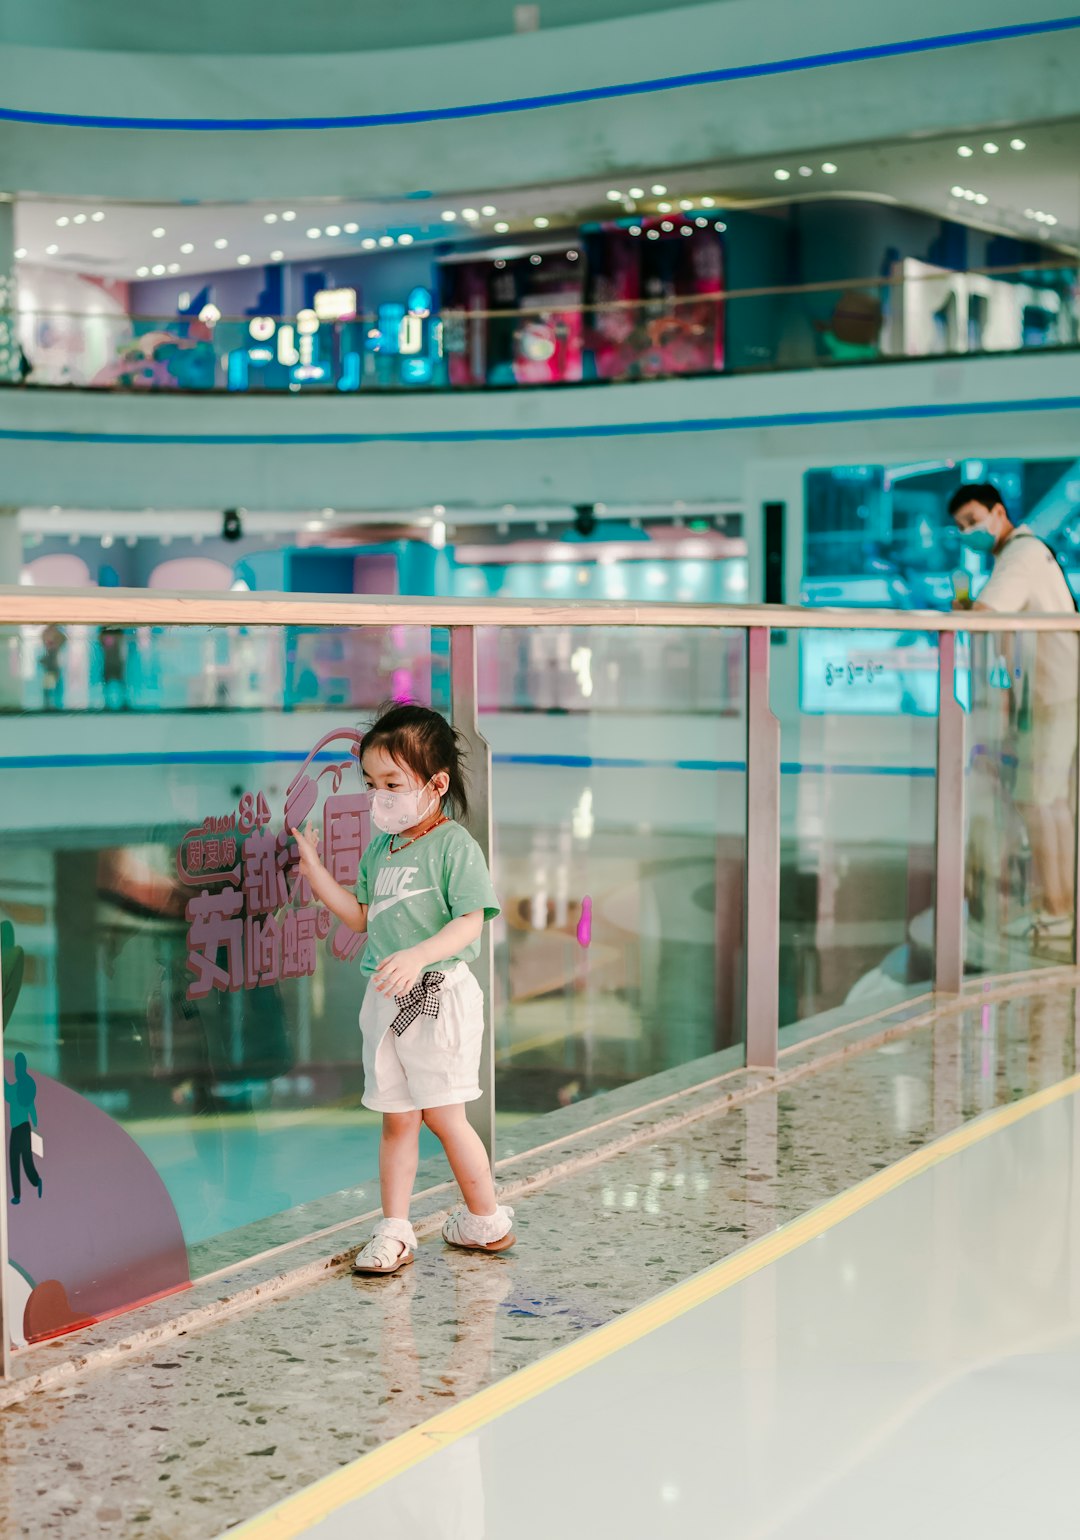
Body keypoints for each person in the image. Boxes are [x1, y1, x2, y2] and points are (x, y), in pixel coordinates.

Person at [291, 703, 511, 1276]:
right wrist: (314, 872)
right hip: (387, 998)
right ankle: (395, 1227)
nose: (379, 796)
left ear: (435, 784)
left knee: (443, 1113)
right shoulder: (381, 850)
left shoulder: (453, 845)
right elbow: (362, 917)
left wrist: (417, 956)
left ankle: (486, 1219)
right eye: (372, 784)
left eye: (393, 783)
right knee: (397, 1116)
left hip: (434, 990)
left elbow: (472, 919)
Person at [949, 482, 1079, 941]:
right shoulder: (1027, 550)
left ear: (998, 512)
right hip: (1059, 691)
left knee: (1037, 801)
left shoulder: (1019, 555)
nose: (968, 532)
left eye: (973, 521)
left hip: (1051, 694)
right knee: (1053, 802)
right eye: (961, 527)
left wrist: (960, 611)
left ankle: (1057, 913)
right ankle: (1058, 909)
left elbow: (985, 614)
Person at [5, 1053, 42, 1204]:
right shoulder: (27, 1084)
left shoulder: (19, 1087)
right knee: (24, 1160)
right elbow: (32, 1107)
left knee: (16, 1160)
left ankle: (20, 1193)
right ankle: (34, 1182)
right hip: (24, 1128)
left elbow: (7, 1094)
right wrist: (35, 1124)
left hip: (18, 1128)